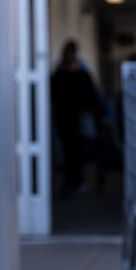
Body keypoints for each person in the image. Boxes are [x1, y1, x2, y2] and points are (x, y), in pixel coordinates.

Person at [51, 40, 102, 197]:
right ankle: (73, 181)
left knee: (74, 152)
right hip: (69, 119)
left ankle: (75, 181)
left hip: (73, 119)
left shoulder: (71, 73)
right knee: (70, 152)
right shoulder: (69, 73)